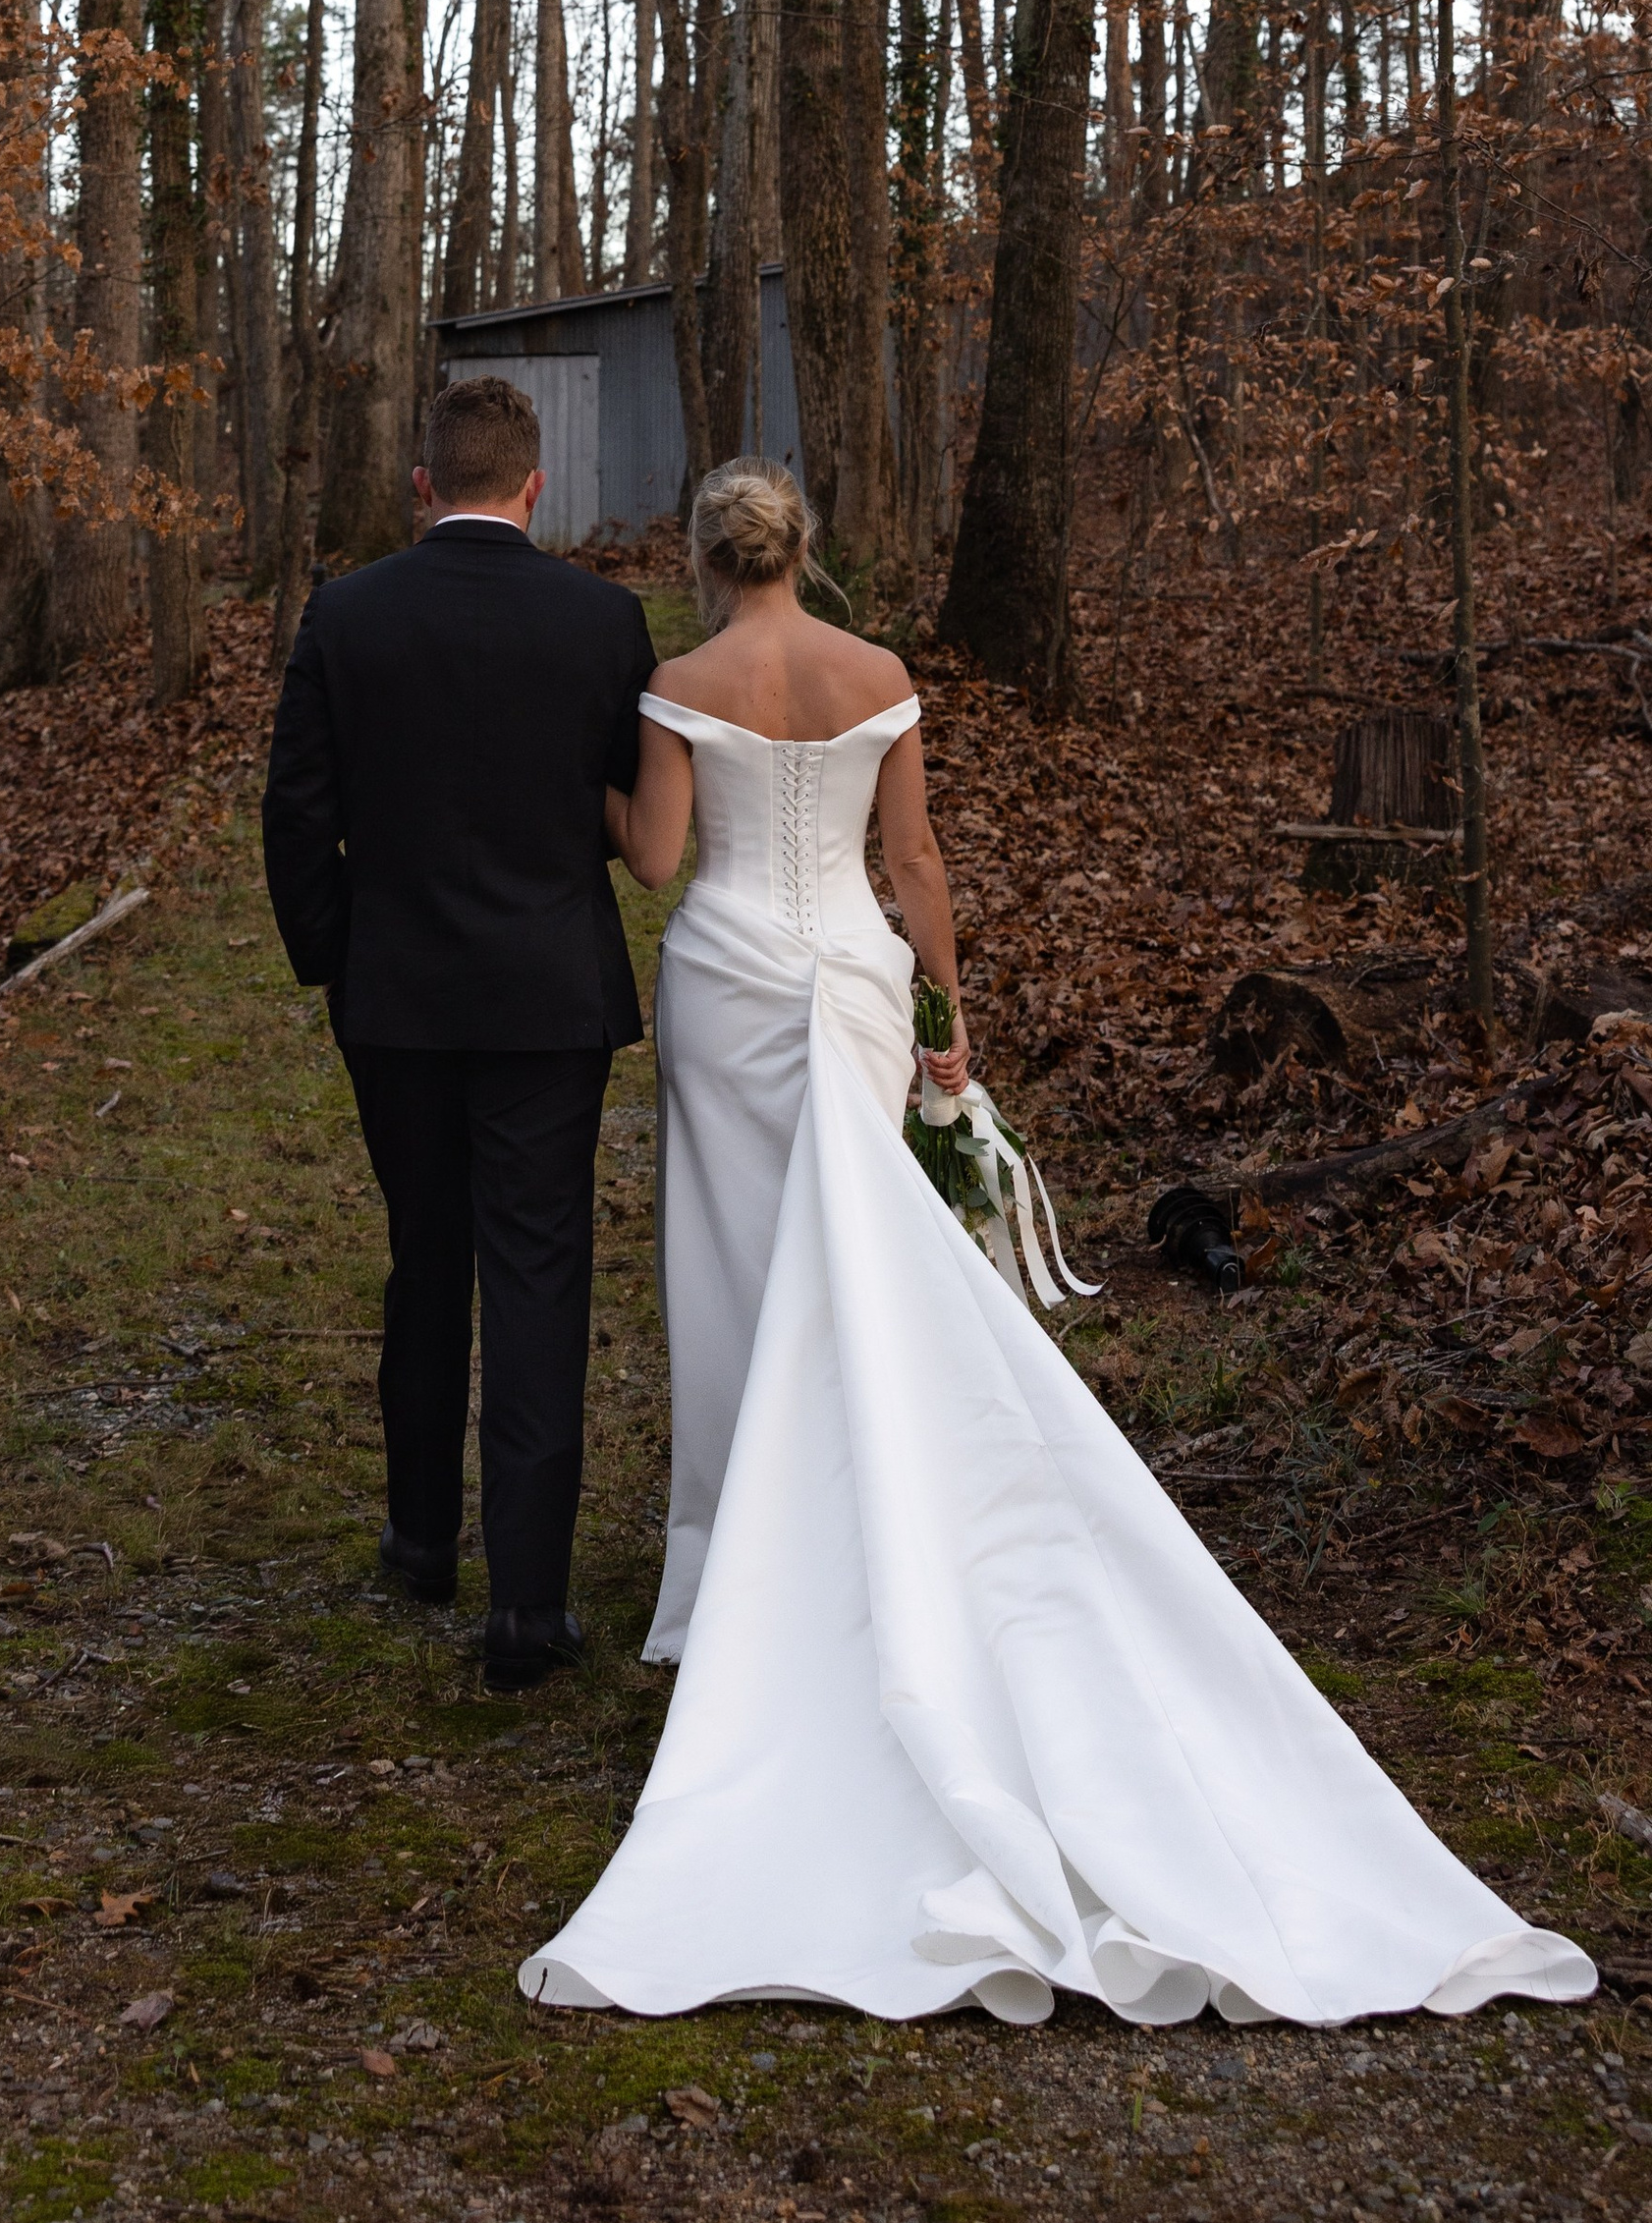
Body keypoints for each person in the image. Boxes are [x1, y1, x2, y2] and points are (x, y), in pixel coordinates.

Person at [523, 455, 1593, 2029]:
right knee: (864, 1265)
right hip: (854, 987)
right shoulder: (880, 672)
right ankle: (866, 1513)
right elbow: (918, 868)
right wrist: (946, 1026)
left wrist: (591, 782)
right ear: (805, 546)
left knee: (745, 1269)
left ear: (700, 557)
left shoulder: (678, 682)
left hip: (732, 989)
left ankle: (729, 1575)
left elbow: (661, 861)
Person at [261, 373, 656, 1693]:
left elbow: (293, 811)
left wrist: (338, 956)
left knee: (425, 1253)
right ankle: (527, 1611)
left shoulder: (347, 613)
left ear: (423, 484)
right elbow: (622, 803)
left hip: (402, 997)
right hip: (548, 997)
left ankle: (424, 1537)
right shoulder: (604, 622)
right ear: (535, 488)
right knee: (538, 1278)